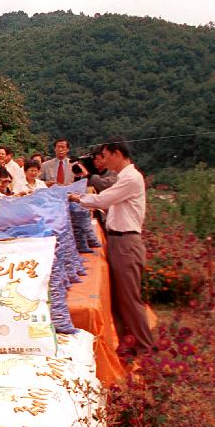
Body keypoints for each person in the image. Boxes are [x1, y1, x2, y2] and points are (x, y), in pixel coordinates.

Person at [69, 137, 153, 354]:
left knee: (129, 298)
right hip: (118, 240)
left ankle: (144, 348)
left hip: (126, 242)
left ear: (117, 153)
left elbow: (103, 200)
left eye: (105, 156)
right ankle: (129, 345)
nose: (103, 161)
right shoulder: (123, 178)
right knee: (119, 299)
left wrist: (76, 198)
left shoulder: (131, 178)